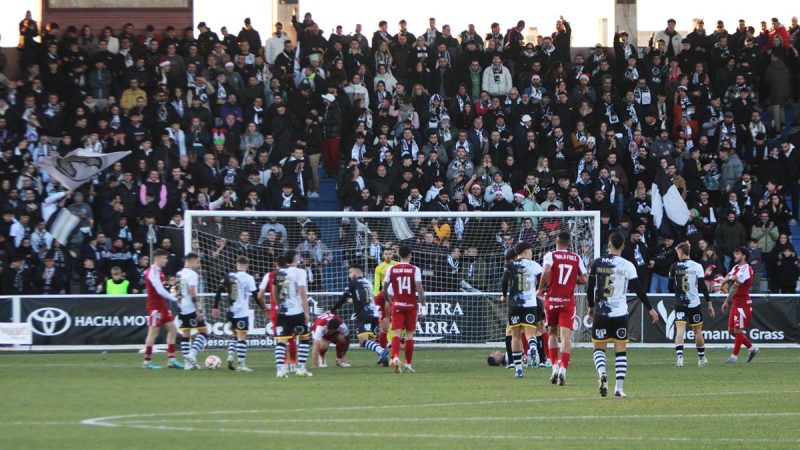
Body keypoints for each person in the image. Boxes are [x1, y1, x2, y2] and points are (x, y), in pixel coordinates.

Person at [588, 232, 659, 398]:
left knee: (599, 348)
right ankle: (619, 389)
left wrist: (591, 306)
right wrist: (650, 308)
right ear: (623, 246)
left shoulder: (597, 263)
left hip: (601, 312)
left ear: (609, 245)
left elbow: (590, 287)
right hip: (619, 313)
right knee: (620, 350)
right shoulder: (628, 265)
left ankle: (602, 372)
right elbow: (638, 288)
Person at [537, 231, 588, 386]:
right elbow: (585, 279)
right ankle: (563, 369)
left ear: (556, 242)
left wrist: (540, 289)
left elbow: (546, 271)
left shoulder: (550, 255)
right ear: (569, 244)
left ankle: (554, 367)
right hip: (568, 302)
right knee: (566, 337)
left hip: (551, 301)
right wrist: (573, 280)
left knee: (552, 334)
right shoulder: (576, 258)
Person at [330, 263, 389, 365]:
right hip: (374, 313)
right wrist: (354, 300)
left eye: (350, 272)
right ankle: (383, 359)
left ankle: (381, 351)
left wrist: (332, 310)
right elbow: (365, 297)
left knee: (362, 341)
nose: (349, 275)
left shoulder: (354, 283)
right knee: (371, 340)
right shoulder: (368, 282)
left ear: (356, 271)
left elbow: (344, 297)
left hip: (364, 314)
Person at [668, 242, 715, 368]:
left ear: (682, 252)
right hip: (694, 303)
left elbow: (670, 286)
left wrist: (678, 292)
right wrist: (709, 303)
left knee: (680, 331)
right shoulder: (698, 266)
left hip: (680, 303)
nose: (677, 254)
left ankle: (680, 359)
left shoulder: (674, 266)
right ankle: (701, 358)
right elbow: (702, 286)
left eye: (678, 252)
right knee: (698, 332)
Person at [500, 242, 543, 378]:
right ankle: (533, 347)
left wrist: (504, 295)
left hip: (514, 305)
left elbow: (504, 280)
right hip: (530, 304)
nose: (531, 254)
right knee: (531, 334)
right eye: (530, 251)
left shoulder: (511, 265)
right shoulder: (534, 265)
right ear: (525, 252)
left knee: (515, 336)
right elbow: (544, 277)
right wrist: (540, 290)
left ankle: (518, 369)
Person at [383, 245, 426, 373]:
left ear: (398, 255)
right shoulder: (415, 269)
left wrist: (389, 300)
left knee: (396, 333)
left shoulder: (391, 269)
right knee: (409, 335)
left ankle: (395, 356)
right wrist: (423, 306)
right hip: (411, 305)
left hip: (397, 305)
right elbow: (419, 288)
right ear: (410, 255)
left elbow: (385, 288)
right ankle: (408, 364)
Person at [212, 256, 258, 372]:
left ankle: (231, 355)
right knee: (242, 337)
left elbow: (218, 291)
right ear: (247, 265)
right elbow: (255, 295)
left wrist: (215, 306)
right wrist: (263, 308)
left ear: (236, 264)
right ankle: (241, 365)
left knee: (234, 335)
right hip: (242, 312)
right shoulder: (248, 278)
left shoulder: (228, 276)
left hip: (230, 311)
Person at [272, 250, 313, 378]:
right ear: (295, 258)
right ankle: (301, 368)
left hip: (283, 311)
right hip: (297, 312)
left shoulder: (278, 272)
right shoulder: (300, 272)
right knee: (304, 338)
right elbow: (302, 292)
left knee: (281, 340)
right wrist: (306, 312)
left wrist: (279, 306)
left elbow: (274, 292)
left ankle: (280, 370)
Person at [142, 248, 183, 370]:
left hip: (162, 305)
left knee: (173, 330)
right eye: (164, 258)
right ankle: (147, 361)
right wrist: (174, 299)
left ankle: (171, 359)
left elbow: (163, 288)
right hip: (155, 306)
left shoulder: (160, 272)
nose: (166, 260)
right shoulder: (152, 271)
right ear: (157, 258)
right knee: (153, 333)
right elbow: (159, 290)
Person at [258, 257, 298, 372]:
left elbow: (260, 295)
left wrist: (265, 308)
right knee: (291, 338)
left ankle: (283, 365)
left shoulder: (269, 275)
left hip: (276, 311)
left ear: (276, 264)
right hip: (291, 309)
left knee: (281, 338)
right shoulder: (293, 274)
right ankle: (294, 364)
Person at [722, 246, 760, 364]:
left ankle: (734, 356)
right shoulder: (736, 267)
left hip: (743, 304)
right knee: (731, 331)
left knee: (738, 329)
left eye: (737, 254)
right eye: (735, 253)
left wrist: (727, 300)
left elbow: (735, 286)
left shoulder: (746, 269)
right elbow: (728, 276)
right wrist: (727, 278)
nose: (735, 256)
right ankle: (752, 348)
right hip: (736, 303)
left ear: (743, 256)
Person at [175, 253, 208, 370]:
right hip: (190, 307)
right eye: (197, 261)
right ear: (192, 260)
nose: (197, 264)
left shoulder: (178, 273)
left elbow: (177, 292)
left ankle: (187, 364)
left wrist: (179, 305)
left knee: (186, 334)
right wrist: (197, 309)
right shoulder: (192, 274)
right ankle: (192, 355)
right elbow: (192, 292)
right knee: (204, 331)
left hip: (181, 307)